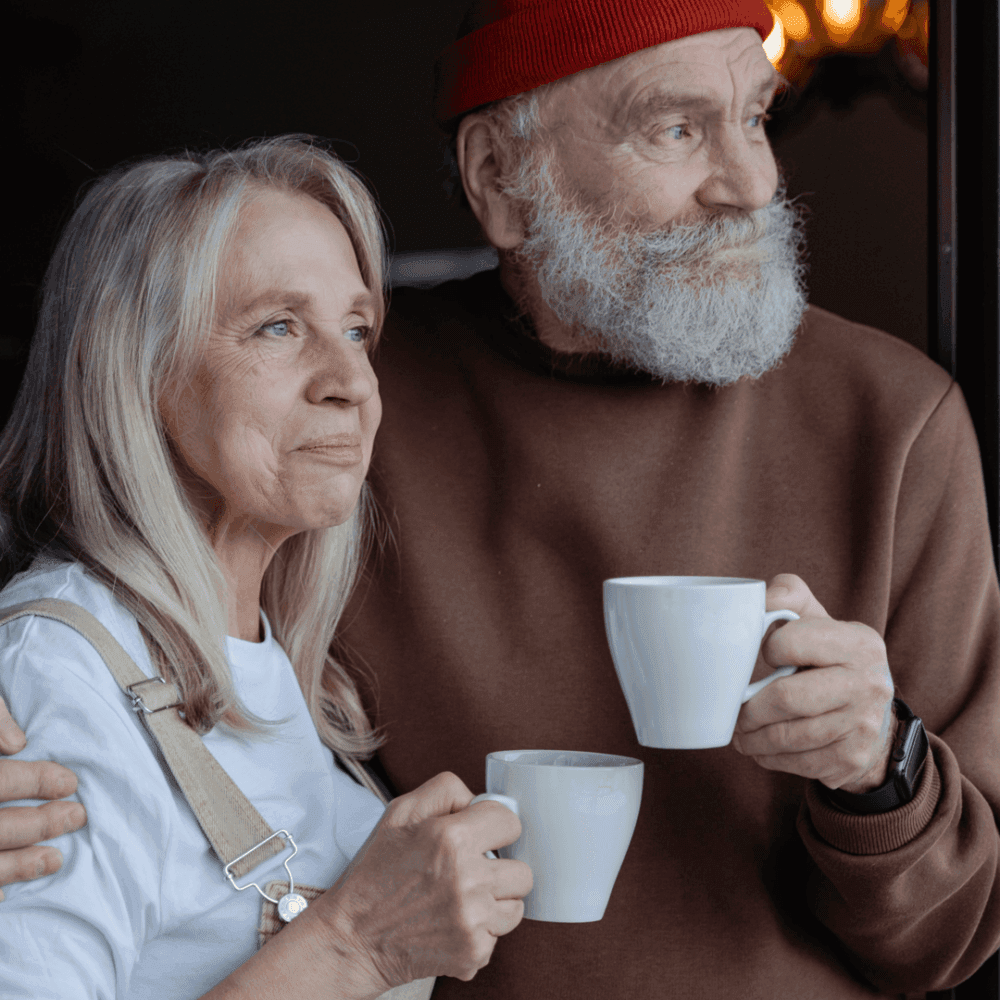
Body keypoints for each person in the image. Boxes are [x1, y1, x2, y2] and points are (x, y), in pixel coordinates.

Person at [2, 1, 999, 997]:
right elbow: (105, 534)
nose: (753, 182)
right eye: (677, 127)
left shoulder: (895, 421)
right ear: (500, 179)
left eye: (755, 119)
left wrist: (885, 767)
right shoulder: (341, 415)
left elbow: (959, 938)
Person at [0, 135, 532, 998]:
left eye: (357, 329)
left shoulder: (276, 662)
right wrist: (356, 946)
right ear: (137, 369)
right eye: (278, 327)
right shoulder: (60, 680)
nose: (351, 381)